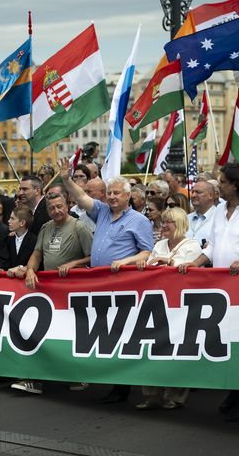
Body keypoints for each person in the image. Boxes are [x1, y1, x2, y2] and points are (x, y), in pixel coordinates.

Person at [177, 163, 239, 423]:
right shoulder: (219, 210)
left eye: (223, 181)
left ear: (236, 184)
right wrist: (195, 264)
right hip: (223, 290)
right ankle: (235, 395)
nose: (219, 185)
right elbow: (211, 246)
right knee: (228, 342)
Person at [59, 159, 154, 404]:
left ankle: (122, 387)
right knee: (104, 333)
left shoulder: (139, 221)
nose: (111, 197)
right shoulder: (101, 211)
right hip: (100, 285)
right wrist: (66, 179)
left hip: (123, 285)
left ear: (128, 196)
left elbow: (147, 253)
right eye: (109, 193)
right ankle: (111, 381)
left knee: (121, 334)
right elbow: (81, 198)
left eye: (116, 193)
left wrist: (126, 261)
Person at [10, 192, 93, 395]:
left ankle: (76, 375)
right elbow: (37, 254)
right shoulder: (46, 228)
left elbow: (93, 257)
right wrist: (30, 269)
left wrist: (75, 263)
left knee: (68, 336)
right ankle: (34, 380)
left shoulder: (79, 227)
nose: (56, 211)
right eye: (51, 208)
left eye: (59, 206)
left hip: (72, 292)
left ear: (67, 205)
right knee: (41, 335)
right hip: (48, 291)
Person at [134, 207, 201, 410]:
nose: (163, 226)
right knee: (151, 348)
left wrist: (169, 262)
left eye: (168, 222)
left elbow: (186, 269)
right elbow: (149, 265)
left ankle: (175, 395)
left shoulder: (192, 245)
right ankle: (152, 394)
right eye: (162, 222)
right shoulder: (160, 244)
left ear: (179, 224)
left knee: (177, 349)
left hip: (179, 305)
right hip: (156, 302)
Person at [0, 206, 37, 277]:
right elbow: (2, 258)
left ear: (22, 223)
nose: (8, 221)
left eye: (12, 218)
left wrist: (22, 268)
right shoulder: (8, 238)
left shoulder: (34, 240)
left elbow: (37, 262)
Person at [187, 180, 217, 248]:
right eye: (192, 192)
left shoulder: (220, 217)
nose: (193, 195)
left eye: (198, 192)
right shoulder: (186, 218)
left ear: (211, 195)